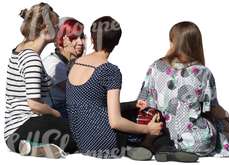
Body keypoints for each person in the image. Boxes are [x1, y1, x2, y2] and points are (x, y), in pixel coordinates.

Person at [137, 21, 229, 157]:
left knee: (205, 121)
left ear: (172, 42)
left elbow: (144, 103)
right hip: (197, 141)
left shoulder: (155, 67)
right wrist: (226, 114)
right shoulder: (202, 72)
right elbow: (212, 110)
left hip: (161, 135)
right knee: (218, 122)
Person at [66, 16, 162, 159]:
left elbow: (91, 105)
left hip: (79, 139)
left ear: (92, 38)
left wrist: (131, 104)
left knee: (133, 110)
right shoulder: (109, 71)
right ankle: (148, 146)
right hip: (104, 143)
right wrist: (147, 129)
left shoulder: (74, 63)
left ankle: (143, 146)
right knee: (152, 118)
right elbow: (115, 121)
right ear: (116, 42)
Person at [5, 2, 77, 159]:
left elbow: (46, 85)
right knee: (79, 136)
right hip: (23, 126)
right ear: (46, 29)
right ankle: (30, 143)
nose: (58, 31)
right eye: (56, 27)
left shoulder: (20, 50)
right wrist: (55, 114)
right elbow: (34, 105)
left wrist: (70, 58)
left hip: (12, 132)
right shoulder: (32, 59)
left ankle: (31, 147)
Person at [43, 17, 85, 119]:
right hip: (55, 116)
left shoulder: (64, 63)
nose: (80, 42)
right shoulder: (54, 64)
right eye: (74, 38)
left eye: (82, 37)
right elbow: (77, 94)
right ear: (63, 39)